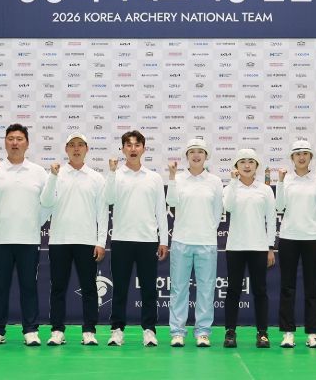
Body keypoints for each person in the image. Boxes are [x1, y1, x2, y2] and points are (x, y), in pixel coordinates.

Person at [0, 124, 49, 347]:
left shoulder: (38, 172)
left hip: (28, 240)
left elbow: (48, 203)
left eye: (19, 139)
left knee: (29, 287)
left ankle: (31, 331)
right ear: (5, 142)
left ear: (27, 143)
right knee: (0, 287)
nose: (15, 142)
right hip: (1, 240)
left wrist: (33, 223)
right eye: (10, 138)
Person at [40, 132, 108, 347]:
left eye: (80, 145)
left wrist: (101, 242)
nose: (76, 148)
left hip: (86, 241)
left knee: (89, 288)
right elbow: (45, 201)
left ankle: (89, 331)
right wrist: (52, 176)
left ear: (87, 149)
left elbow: (102, 212)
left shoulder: (97, 178)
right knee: (58, 288)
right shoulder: (56, 174)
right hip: (59, 241)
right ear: (66, 149)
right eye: (72, 145)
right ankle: (57, 330)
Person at [104, 130, 169, 347]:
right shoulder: (115, 175)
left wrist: (163, 240)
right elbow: (109, 199)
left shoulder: (154, 178)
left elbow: (161, 211)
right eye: (129, 145)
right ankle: (117, 330)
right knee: (120, 288)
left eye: (137, 145)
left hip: (147, 241)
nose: (133, 149)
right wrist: (111, 173)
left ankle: (149, 330)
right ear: (123, 149)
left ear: (143, 149)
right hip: (121, 240)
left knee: (149, 289)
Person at [166, 138, 223, 348]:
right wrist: (172, 177)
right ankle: (177, 332)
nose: (196, 155)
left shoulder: (215, 181)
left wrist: (206, 231)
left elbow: (217, 212)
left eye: (200, 151)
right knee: (179, 289)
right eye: (192, 152)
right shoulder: (179, 179)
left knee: (206, 290)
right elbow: (171, 202)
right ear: (187, 156)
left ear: (206, 156)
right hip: (181, 241)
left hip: (206, 243)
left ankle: (203, 332)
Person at [276, 140, 316, 349]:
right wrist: (280, 182)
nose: (301, 157)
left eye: (305, 153)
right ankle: (288, 333)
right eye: (297, 153)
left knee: (312, 288)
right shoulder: (286, 180)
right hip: (288, 238)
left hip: (313, 239)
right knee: (287, 287)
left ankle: (313, 334)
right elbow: (279, 206)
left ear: (310, 157)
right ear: (292, 158)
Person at [222, 148, 276, 349]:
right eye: (242, 162)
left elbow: (271, 219)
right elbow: (228, 207)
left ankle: (262, 333)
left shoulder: (265, 190)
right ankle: (230, 332)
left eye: (251, 162)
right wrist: (233, 182)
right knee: (233, 291)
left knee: (260, 291)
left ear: (256, 166)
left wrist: (270, 247)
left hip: (259, 247)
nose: (247, 165)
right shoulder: (230, 187)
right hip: (235, 247)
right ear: (236, 166)